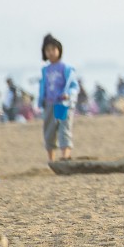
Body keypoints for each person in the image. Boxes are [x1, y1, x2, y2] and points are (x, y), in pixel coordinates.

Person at [38, 34, 78, 162]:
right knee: (49, 131)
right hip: (49, 103)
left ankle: (65, 156)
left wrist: (69, 95)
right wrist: (41, 100)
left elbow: (73, 86)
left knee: (63, 128)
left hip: (63, 103)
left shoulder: (66, 68)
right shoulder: (45, 70)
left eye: (53, 49)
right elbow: (43, 87)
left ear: (59, 50)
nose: (51, 53)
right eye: (47, 50)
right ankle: (51, 158)